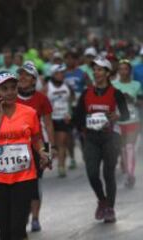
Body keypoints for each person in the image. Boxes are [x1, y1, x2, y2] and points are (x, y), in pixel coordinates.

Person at [0, 72, 50, 240]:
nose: (10, 92)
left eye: (13, 88)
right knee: (5, 231)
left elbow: (36, 137)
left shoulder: (29, 112)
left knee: (18, 228)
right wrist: (0, 114)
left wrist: (41, 151)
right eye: (4, 89)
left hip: (24, 176)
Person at [74, 57, 129, 223]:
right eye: (94, 70)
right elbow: (78, 116)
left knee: (108, 173)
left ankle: (110, 208)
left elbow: (125, 114)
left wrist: (117, 116)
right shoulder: (86, 93)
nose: (96, 72)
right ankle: (102, 200)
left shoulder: (116, 93)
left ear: (107, 73)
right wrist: (83, 122)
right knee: (91, 173)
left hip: (111, 137)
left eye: (99, 70)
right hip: (91, 137)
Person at [16, 62, 55, 232]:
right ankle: (22, 216)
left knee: (35, 183)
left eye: (27, 75)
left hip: (37, 146)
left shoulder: (41, 99)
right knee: (20, 184)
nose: (22, 78)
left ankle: (35, 218)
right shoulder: (11, 98)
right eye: (21, 74)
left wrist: (50, 149)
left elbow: (48, 125)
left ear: (34, 80)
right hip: (17, 147)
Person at [112, 59, 142, 188]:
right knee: (123, 148)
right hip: (119, 120)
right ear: (118, 71)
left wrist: (131, 99)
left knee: (130, 147)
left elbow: (141, 103)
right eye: (121, 69)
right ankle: (127, 170)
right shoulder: (113, 85)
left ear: (130, 70)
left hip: (133, 119)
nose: (123, 71)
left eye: (126, 69)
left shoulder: (136, 84)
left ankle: (130, 175)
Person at [45, 64, 74, 177]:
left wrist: (70, 114)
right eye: (58, 73)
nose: (61, 75)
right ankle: (50, 160)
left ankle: (61, 166)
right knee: (53, 144)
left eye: (62, 73)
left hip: (63, 118)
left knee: (62, 142)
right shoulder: (47, 87)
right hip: (51, 119)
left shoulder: (67, 86)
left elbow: (71, 100)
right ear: (53, 75)